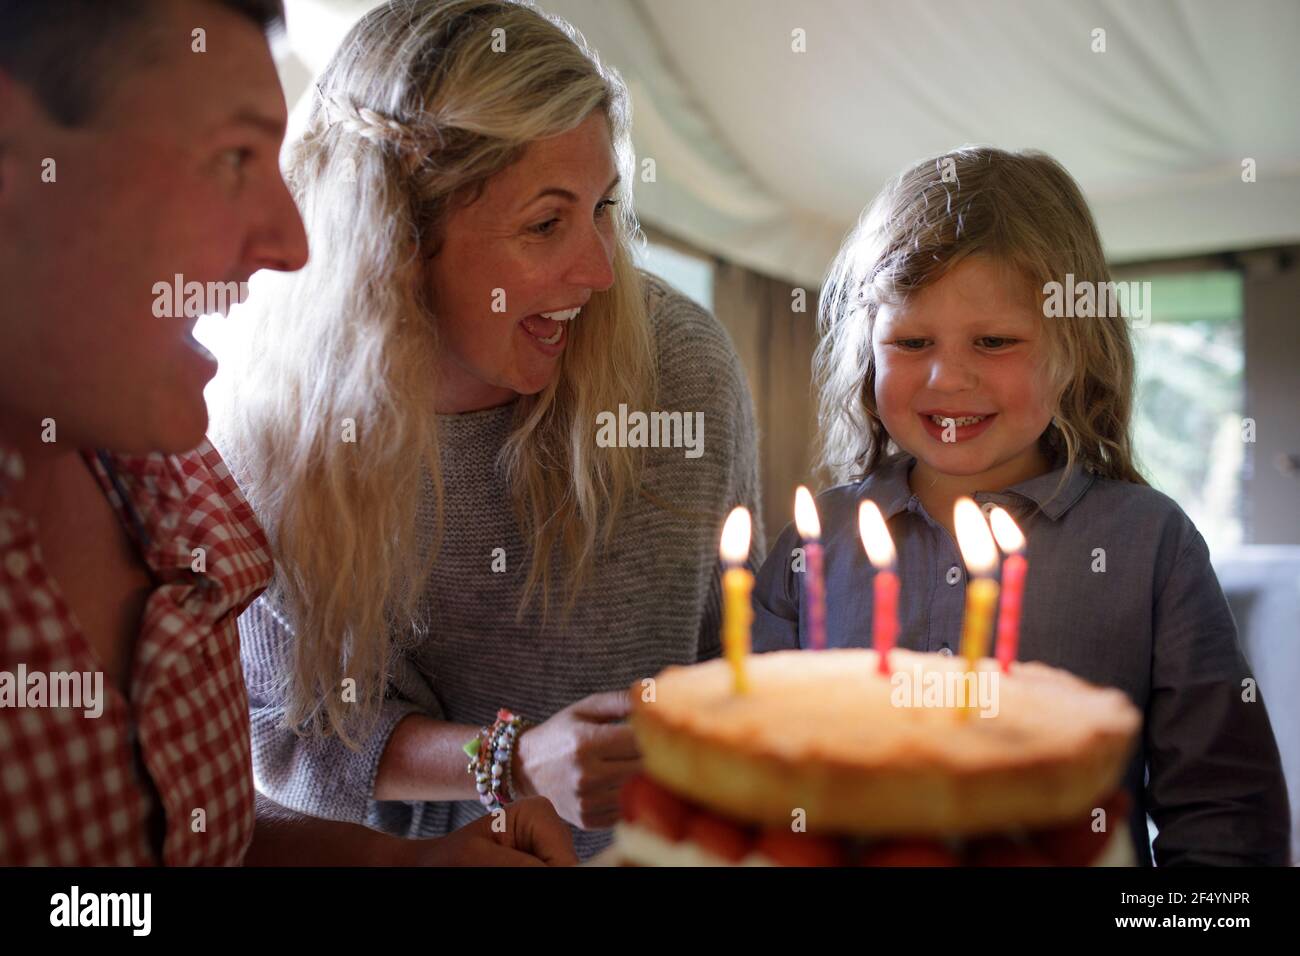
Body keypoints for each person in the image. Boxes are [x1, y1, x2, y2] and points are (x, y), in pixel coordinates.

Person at [0, 0, 574, 866]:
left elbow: (200, 839)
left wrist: (410, 865)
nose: (292, 243)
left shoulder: (184, 485)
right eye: (230, 157)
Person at [216, 0, 762, 862]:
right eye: (546, 224)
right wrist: (511, 762)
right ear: (394, 239)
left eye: (602, 209)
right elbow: (295, 739)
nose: (598, 270)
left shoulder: (679, 374)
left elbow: (737, 644)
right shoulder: (277, 435)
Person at [752, 146, 1291, 866]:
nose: (948, 376)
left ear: (1077, 349)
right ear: (868, 352)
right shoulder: (813, 547)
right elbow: (746, 776)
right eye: (911, 341)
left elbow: (1226, 818)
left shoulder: (1149, 547)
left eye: (995, 341)